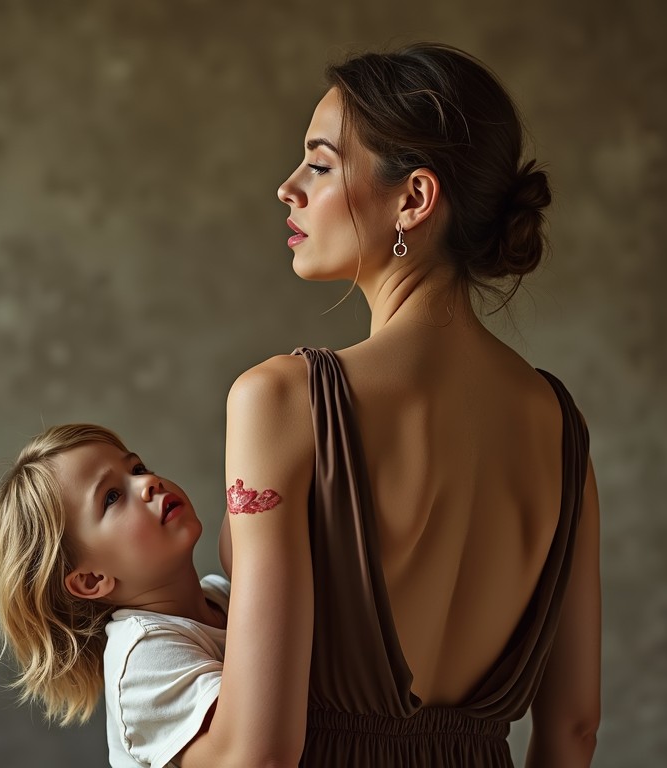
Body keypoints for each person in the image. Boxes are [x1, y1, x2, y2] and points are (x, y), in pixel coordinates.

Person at [217, 42, 601, 766]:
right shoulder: (559, 428)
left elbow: (257, 756)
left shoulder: (280, 400)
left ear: (415, 198)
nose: (287, 189)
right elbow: (574, 728)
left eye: (321, 164)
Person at [0, 423, 236, 768]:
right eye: (111, 497)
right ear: (92, 579)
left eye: (137, 469)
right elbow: (245, 754)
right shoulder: (142, 656)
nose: (147, 483)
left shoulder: (222, 594)